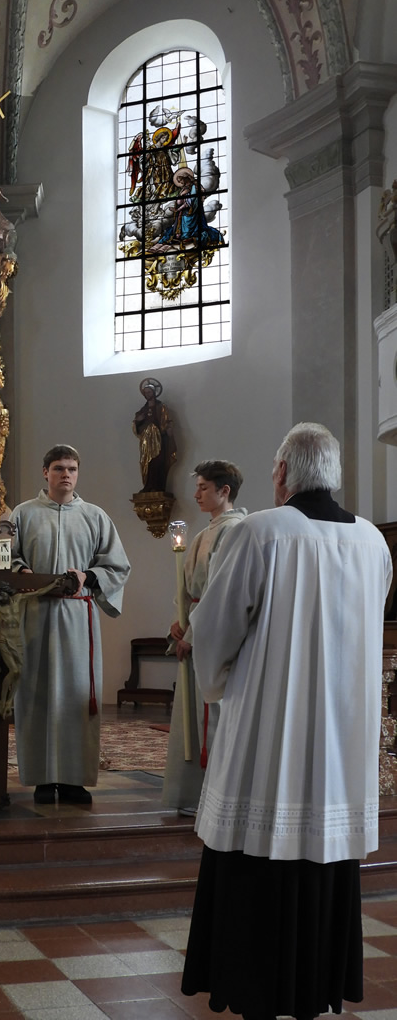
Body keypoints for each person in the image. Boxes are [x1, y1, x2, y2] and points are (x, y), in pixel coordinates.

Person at [182, 424, 392, 1020]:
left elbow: (215, 630)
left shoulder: (260, 531)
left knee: (258, 852)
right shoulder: (373, 542)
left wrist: (219, 687)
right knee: (324, 855)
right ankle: (314, 986)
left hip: (269, 732)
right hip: (342, 740)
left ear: (281, 473)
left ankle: (255, 988)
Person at [10, 444, 131, 804]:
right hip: (36, 616)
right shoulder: (23, 514)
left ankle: (74, 779)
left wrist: (87, 576)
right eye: (59, 468)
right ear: (45, 472)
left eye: (72, 469)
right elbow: (6, 557)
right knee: (37, 696)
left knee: (77, 696)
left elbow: (117, 566)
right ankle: (42, 778)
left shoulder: (94, 516)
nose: (66, 475)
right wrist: (22, 573)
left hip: (78, 618)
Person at [161, 460, 246, 815]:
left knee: (212, 719)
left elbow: (221, 593)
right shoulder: (201, 534)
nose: (196, 494)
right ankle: (190, 796)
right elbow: (189, 589)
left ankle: (215, 799)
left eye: (203, 488)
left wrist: (194, 634)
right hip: (196, 629)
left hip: (214, 641)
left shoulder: (235, 531)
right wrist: (178, 622)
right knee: (191, 720)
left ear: (224, 491)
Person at [133, 377, 177, 492]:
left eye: (149, 392)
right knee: (146, 462)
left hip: (158, 439)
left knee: (158, 461)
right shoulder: (143, 410)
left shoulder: (161, 407)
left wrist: (168, 429)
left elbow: (167, 422)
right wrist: (138, 421)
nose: (147, 394)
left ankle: (158, 486)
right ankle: (148, 485)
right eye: (145, 392)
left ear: (154, 392)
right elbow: (136, 424)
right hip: (146, 442)